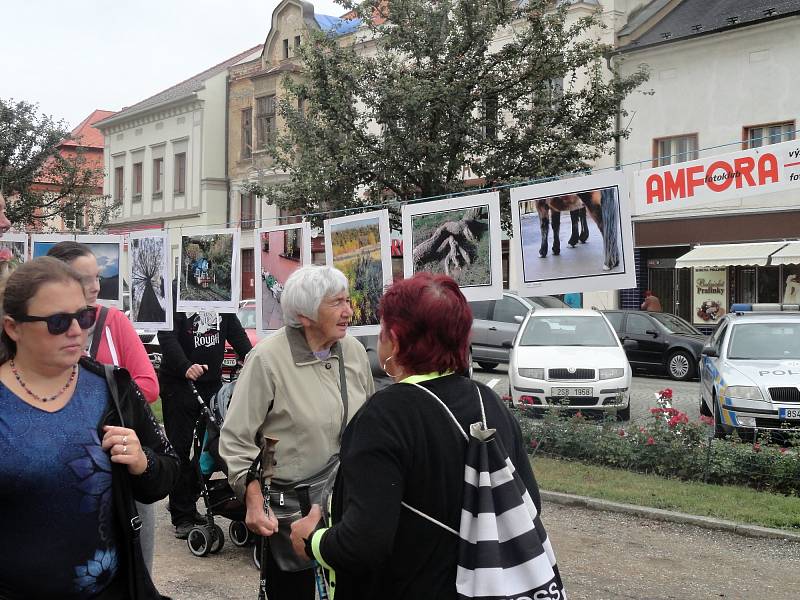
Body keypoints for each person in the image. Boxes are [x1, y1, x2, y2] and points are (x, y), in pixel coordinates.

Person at [288, 273, 543, 600]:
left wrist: (312, 540)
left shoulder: (384, 417)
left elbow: (363, 544)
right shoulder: (488, 401)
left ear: (393, 340)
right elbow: (527, 503)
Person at [0, 257, 178, 599]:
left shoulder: (112, 386)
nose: (76, 331)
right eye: (57, 321)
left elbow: (169, 473)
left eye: (85, 317)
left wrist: (143, 463)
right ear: (13, 327)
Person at [219, 265, 375, 600]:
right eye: (337, 303)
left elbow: (370, 424)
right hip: (291, 515)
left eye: (348, 301)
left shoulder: (354, 352)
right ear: (304, 315)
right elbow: (235, 439)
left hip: (348, 506)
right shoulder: (267, 360)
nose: (349, 311)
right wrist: (252, 495)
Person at [48, 240, 161, 575]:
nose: (96, 286)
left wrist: (94, 399)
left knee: (131, 569)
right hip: (62, 470)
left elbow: (149, 385)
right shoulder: (36, 329)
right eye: (86, 279)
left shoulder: (114, 322)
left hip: (118, 464)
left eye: (98, 277)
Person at [158, 280, 253, 539]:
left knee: (209, 448)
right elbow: (166, 335)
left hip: (211, 384)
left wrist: (255, 360)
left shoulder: (220, 293)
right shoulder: (177, 291)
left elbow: (235, 331)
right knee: (180, 446)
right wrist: (185, 365)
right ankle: (182, 515)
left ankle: (185, 499)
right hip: (179, 383)